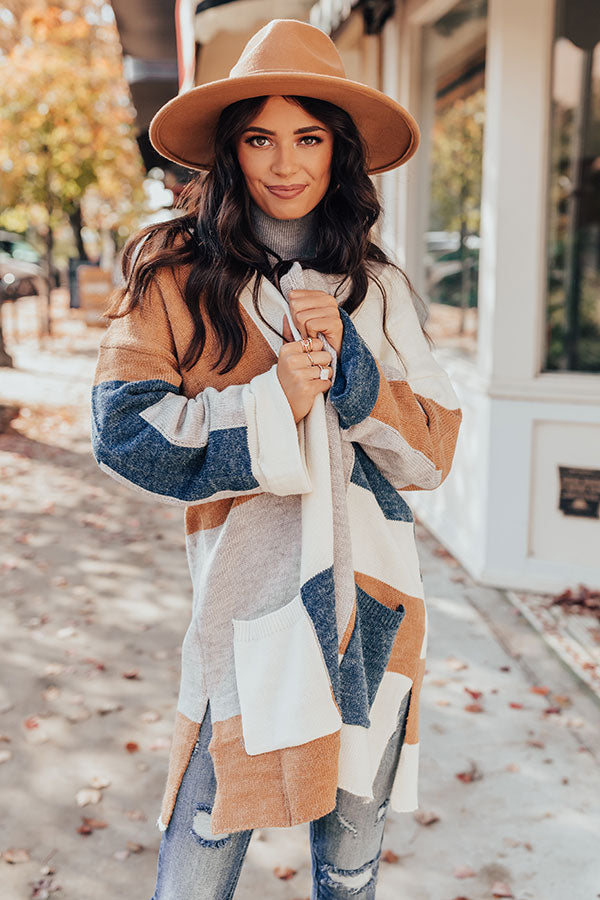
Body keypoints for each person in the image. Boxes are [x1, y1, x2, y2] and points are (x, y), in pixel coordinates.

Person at [90, 18, 462, 900]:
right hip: (248, 611)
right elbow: (121, 427)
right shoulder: (174, 274)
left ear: (340, 155)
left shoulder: (383, 287)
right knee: (197, 867)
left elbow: (436, 449)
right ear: (232, 151)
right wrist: (273, 402)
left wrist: (354, 380)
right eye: (260, 138)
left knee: (351, 869)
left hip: (374, 605)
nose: (285, 163)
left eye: (308, 138)